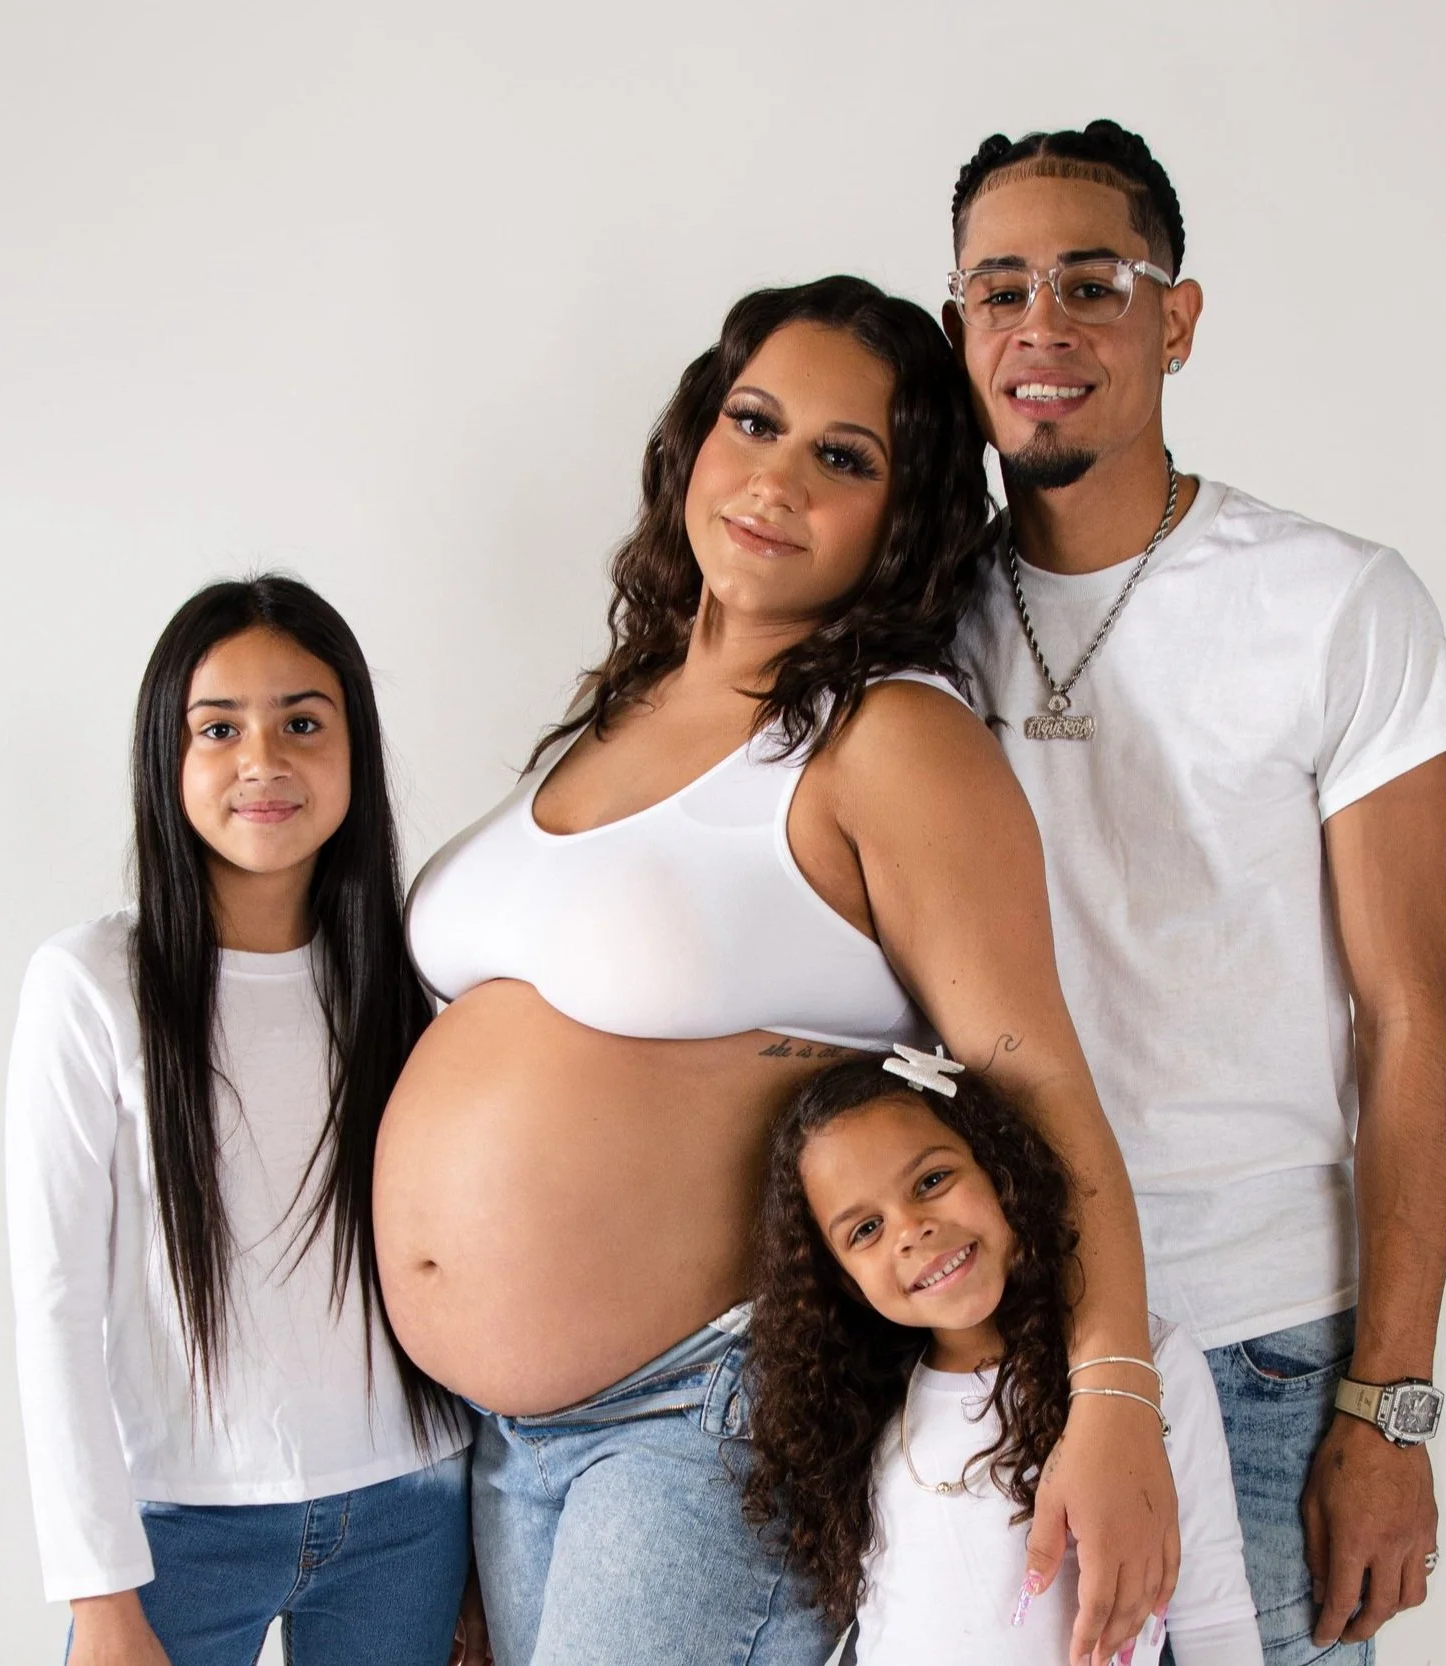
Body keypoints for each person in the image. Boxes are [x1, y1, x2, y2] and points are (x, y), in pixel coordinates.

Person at [381, 276, 1178, 1666]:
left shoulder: (890, 740)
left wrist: (1115, 1393)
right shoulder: (622, 705)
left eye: (843, 457)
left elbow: (1038, 1079)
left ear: (904, 514)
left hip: (707, 1418)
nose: (776, 477)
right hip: (499, 1439)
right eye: (754, 421)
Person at [941, 123, 1446, 1663]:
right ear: (958, 330)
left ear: (1174, 321)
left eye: (1091, 284)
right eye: (999, 288)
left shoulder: (1335, 602)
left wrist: (1389, 1406)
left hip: (1261, 1346)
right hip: (983, 1336)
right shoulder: (918, 614)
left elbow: (1413, 1024)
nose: (1042, 327)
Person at [6, 577, 472, 1666]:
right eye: (217, 728)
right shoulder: (91, 984)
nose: (262, 758)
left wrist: (478, 1544)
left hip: (409, 1514)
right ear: (164, 760)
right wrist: (98, 1596)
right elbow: (55, 1305)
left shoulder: (414, 978)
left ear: (354, 750)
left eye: (303, 722)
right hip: (175, 1530)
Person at [746, 1051, 1264, 1666]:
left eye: (931, 1181)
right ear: (846, 1282)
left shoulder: (1145, 1368)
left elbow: (1215, 1622)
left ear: (998, 1166)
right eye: (866, 1230)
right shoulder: (868, 1412)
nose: (911, 1230)